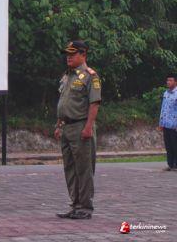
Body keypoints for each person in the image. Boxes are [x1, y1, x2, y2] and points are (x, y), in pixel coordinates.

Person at [54, 40, 101, 220]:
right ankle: (75, 205)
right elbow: (63, 102)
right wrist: (59, 125)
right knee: (70, 168)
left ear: (83, 55)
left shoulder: (90, 76)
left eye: (72, 54)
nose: (69, 57)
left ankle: (86, 207)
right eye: (67, 54)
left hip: (81, 126)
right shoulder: (67, 76)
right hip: (66, 127)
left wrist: (88, 127)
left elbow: (94, 103)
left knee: (84, 168)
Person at [158, 74, 177, 171]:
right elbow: (163, 108)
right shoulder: (166, 93)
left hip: (174, 125)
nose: (168, 82)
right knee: (168, 145)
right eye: (167, 80)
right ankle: (170, 164)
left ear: (175, 82)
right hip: (166, 124)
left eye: (170, 80)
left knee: (175, 145)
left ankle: (176, 165)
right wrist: (161, 123)